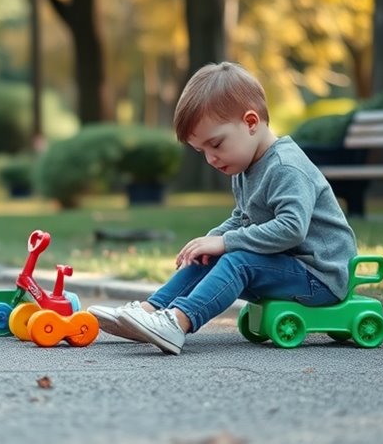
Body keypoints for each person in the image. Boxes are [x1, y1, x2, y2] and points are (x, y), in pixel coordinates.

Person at [87, 61, 357, 354]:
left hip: (319, 276)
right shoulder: (245, 168)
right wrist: (210, 241)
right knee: (213, 256)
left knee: (236, 259)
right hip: (285, 265)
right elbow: (242, 219)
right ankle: (151, 310)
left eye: (216, 144)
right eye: (202, 151)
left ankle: (177, 323)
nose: (211, 159)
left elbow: (291, 229)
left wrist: (225, 242)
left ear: (251, 123)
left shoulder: (285, 167)